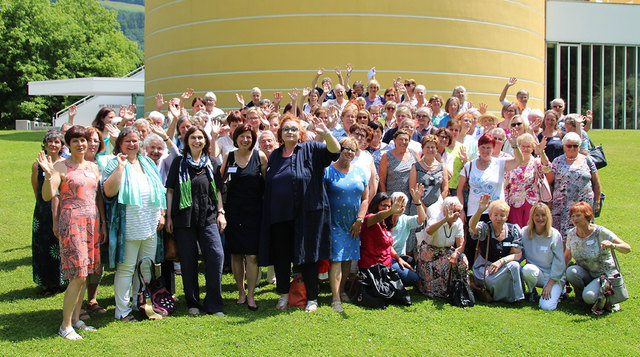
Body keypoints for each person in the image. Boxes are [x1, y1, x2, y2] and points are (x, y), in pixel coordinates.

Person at [259, 115, 340, 312]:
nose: (290, 132)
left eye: (294, 129)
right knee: (282, 256)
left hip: (308, 213)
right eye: (286, 129)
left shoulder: (311, 149)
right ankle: (284, 295)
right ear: (281, 134)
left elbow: (335, 151)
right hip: (280, 215)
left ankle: (312, 297)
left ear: (300, 133)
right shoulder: (276, 155)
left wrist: (326, 132)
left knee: (309, 256)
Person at [37, 125, 104, 340]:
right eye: (75, 140)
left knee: (85, 274)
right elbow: (48, 196)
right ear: (68, 143)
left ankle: (76, 319)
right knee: (78, 275)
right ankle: (65, 326)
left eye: (83, 140)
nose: (80, 144)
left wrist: (101, 222)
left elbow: (96, 196)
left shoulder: (93, 167)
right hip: (72, 223)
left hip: (90, 222)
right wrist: (49, 175)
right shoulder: (60, 167)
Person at [103, 127, 166, 322]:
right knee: (127, 268)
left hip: (150, 223)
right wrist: (121, 168)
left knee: (145, 267)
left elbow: (159, 189)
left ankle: (140, 304)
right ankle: (121, 311)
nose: (132, 144)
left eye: (135, 141)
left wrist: (162, 214)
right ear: (119, 144)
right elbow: (109, 191)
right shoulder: (113, 164)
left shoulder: (147, 162)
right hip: (129, 224)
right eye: (127, 141)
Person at [165, 127, 226, 316]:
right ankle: (193, 303)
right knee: (188, 261)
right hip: (183, 218)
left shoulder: (213, 163)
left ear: (205, 141)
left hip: (207, 216)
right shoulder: (178, 162)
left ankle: (214, 304)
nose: (197, 141)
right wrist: (168, 216)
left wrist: (221, 212)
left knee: (216, 256)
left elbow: (217, 190)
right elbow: (171, 190)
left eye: (200, 137)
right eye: (193, 138)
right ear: (186, 141)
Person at [221, 124, 267, 311]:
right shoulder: (229, 157)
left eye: (249, 137)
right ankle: (240, 291)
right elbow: (220, 182)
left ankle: (251, 295)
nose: (245, 140)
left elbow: (267, 184)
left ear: (253, 138)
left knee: (252, 255)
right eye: (242, 136)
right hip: (233, 212)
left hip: (255, 212)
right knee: (236, 254)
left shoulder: (260, 156)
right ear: (236, 137)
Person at [324, 137, 369, 312]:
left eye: (352, 149)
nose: (349, 152)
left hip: (353, 222)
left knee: (347, 259)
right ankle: (335, 298)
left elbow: (365, 199)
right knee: (336, 258)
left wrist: (360, 220)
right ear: (339, 149)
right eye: (346, 148)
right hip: (333, 221)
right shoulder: (328, 171)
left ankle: (341, 291)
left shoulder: (360, 172)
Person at [565, 202, 632, 312]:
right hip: (587, 273)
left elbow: (627, 248)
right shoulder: (571, 234)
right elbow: (567, 257)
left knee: (590, 297)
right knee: (571, 271)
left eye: (578, 215)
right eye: (573, 216)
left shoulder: (600, 232)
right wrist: (558, 278)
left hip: (604, 276)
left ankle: (609, 300)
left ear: (587, 216)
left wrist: (613, 245)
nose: (574, 219)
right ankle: (580, 297)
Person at [469, 196, 525, 303]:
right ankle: (503, 297)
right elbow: (472, 227)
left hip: (503, 266)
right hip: (485, 267)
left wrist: (500, 262)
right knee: (490, 280)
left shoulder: (513, 230)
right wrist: (480, 210)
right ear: (490, 216)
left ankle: (517, 298)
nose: (498, 218)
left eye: (502, 215)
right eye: (495, 215)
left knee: (515, 266)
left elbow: (517, 255)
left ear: (507, 217)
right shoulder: (485, 228)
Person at [547, 132, 601, 239]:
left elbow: (596, 183)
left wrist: (597, 201)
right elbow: (548, 182)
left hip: (583, 205)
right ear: (564, 146)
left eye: (575, 146)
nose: (572, 148)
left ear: (579, 146)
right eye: (569, 145)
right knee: (562, 237)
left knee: (584, 233)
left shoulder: (587, 160)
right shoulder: (557, 161)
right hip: (561, 206)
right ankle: (564, 256)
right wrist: (549, 201)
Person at [31, 130, 65, 296]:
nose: (53, 144)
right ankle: (45, 282)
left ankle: (60, 280)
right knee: (43, 246)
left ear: (61, 145)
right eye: (50, 141)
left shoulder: (65, 164)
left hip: (62, 208)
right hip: (43, 210)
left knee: (59, 245)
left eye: (57, 142)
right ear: (44, 144)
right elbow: (36, 189)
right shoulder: (37, 165)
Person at [359, 192, 417, 287]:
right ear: (376, 204)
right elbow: (378, 216)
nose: (386, 208)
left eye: (389, 206)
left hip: (388, 262)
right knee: (410, 279)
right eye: (383, 205)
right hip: (373, 266)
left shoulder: (384, 223)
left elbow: (388, 246)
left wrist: (399, 259)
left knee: (412, 272)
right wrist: (390, 211)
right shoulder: (369, 219)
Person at [416, 197, 468, 298]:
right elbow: (429, 231)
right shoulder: (436, 217)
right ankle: (434, 290)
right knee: (442, 262)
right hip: (429, 250)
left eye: (458, 211)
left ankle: (461, 289)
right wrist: (445, 220)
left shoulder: (458, 223)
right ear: (445, 210)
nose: (456, 214)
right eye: (454, 211)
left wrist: (456, 254)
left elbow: (461, 244)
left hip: (446, 250)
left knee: (463, 259)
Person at [521, 203, 565, 310]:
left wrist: (550, 284)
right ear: (532, 216)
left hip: (553, 277)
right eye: (537, 215)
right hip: (536, 274)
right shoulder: (524, 232)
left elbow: (559, 262)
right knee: (527, 269)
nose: (540, 218)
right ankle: (532, 292)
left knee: (547, 307)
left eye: (543, 215)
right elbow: (518, 255)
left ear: (548, 217)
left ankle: (559, 291)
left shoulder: (555, 235)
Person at [504, 133, 550, 227]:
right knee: (515, 229)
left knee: (530, 229)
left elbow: (547, 168)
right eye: (523, 146)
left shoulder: (536, 162)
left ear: (532, 148)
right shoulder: (511, 162)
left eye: (528, 146)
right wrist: (505, 202)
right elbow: (506, 184)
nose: (525, 149)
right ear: (518, 147)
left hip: (532, 201)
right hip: (514, 202)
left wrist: (542, 152)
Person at [409, 134, 449, 211]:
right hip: (418, 208)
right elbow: (412, 189)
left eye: (433, 147)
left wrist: (436, 206)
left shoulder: (442, 167)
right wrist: (422, 207)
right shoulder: (415, 166)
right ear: (422, 149)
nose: (430, 150)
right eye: (427, 147)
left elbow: (445, 189)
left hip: (436, 209)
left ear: (437, 149)